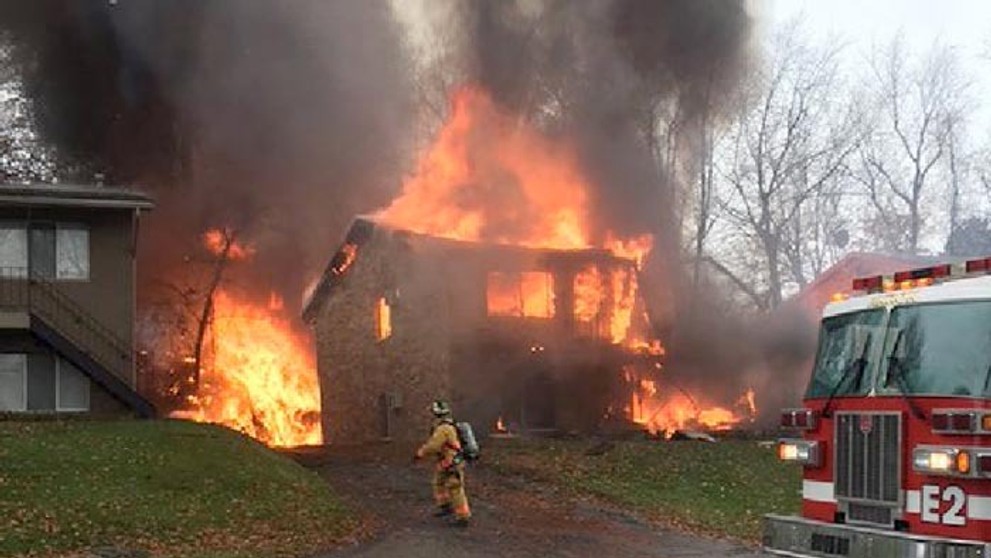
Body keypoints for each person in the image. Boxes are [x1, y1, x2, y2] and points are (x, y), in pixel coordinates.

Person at [414, 399, 471, 527]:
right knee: (438, 482)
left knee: (455, 487)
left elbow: (434, 445)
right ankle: (445, 505)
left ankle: (463, 517)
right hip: (447, 461)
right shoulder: (448, 425)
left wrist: (420, 453)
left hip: (452, 462)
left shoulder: (443, 428)